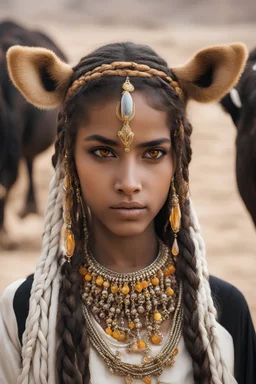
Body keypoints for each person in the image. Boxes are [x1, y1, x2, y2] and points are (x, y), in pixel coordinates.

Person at [0, 41, 255, 384]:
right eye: (103, 152)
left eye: (153, 154)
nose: (129, 182)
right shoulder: (23, 310)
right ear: (69, 159)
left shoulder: (226, 312)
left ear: (178, 158)